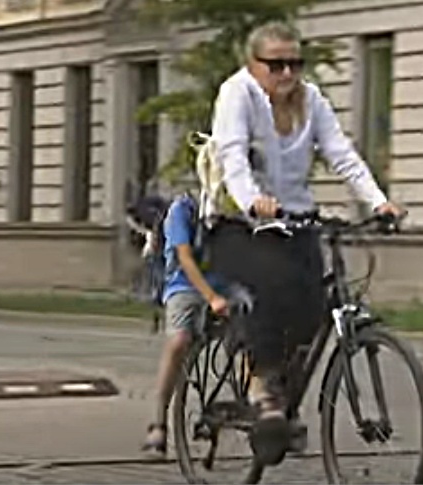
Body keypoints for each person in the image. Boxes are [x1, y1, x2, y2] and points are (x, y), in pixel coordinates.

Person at [206, 21, 403, 463]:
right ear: (253, 64)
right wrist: (252, 200)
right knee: (269, 285)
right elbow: (232, 156)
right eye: (275, 65)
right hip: (238, 222)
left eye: (295, 64)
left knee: (316, 302)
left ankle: (283, 394)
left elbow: (342, 154)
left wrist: (378, 202)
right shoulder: (237, 94)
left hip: (295, 217)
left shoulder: (311, 100)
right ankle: (262, 388)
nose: (287, 73)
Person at [141, 191, 234, 455]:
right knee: (179, 341)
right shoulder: (182, 210)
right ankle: (158, 423)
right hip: (185, 284)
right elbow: (184, 258)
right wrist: (211, 297)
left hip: (227, 284)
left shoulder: (237, 208)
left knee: (258, 337)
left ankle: (262, 406)